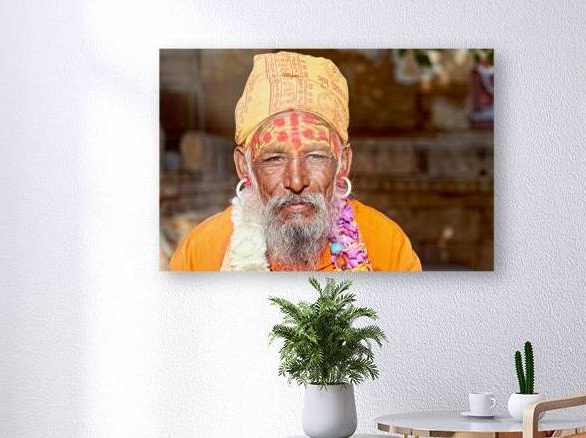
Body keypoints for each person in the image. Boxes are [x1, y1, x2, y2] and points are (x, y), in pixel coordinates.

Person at [169, 51, 421, 272]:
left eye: (316, 156)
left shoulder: (385, 245)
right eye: (275, 159)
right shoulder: (202, 252)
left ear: (343, 162)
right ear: (244, 167)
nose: (297, 181)